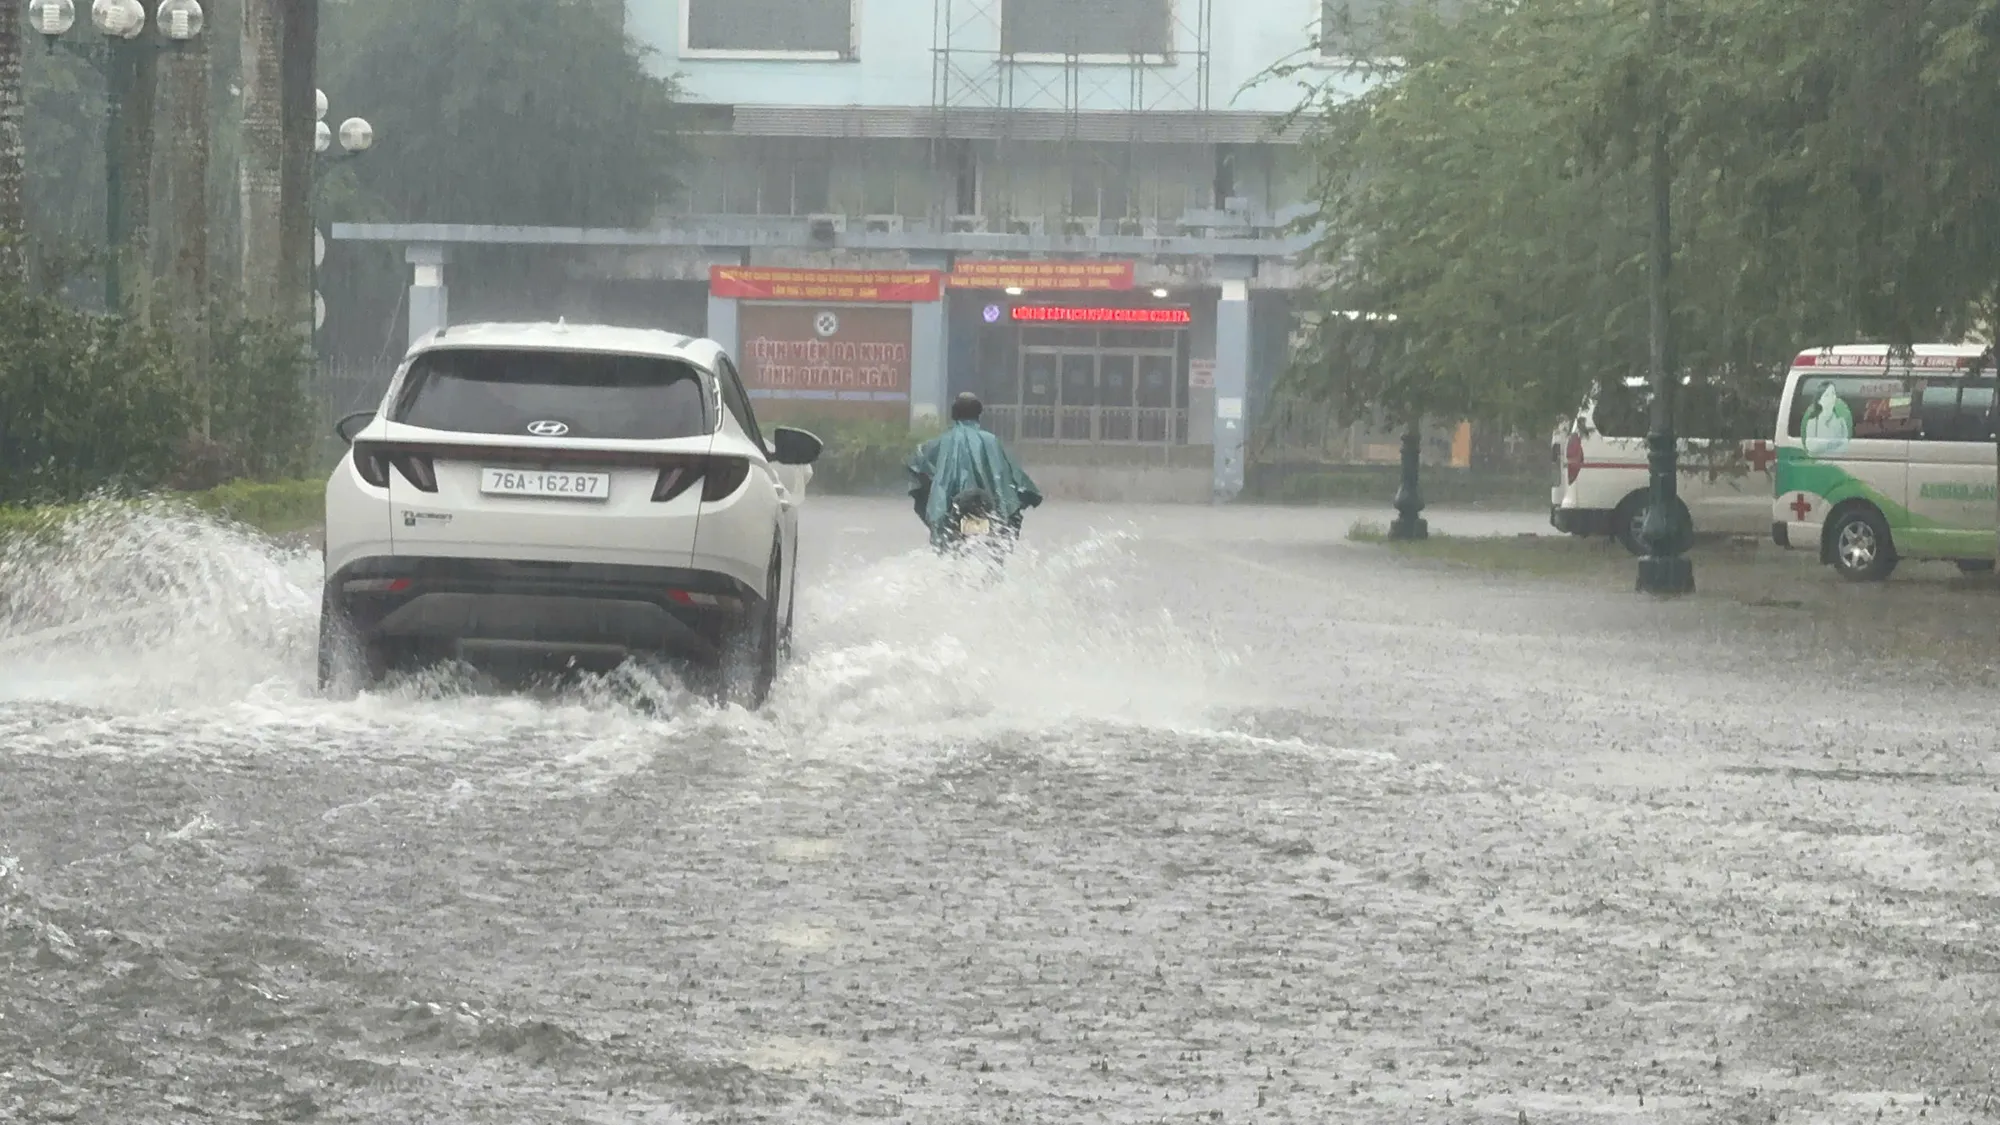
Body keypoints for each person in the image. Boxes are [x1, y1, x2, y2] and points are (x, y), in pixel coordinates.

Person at [907, 392, 1043, 551]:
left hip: (953, 508)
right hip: (987, 507)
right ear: (979, 413)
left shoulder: (940, 442)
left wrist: (932, 490)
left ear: (953, 413)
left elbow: (917, 464)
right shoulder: (992, 441)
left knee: (947, 547)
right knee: (997, 544)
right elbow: (1013, 477)